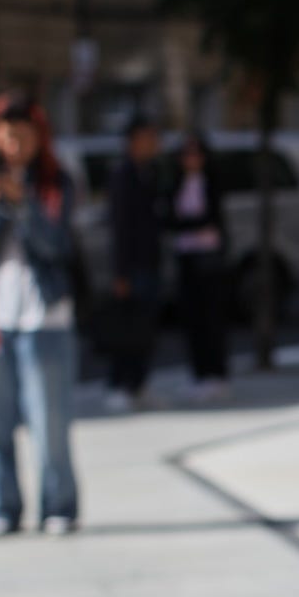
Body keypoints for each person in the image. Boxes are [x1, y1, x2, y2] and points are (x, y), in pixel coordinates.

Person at [0, 92, 81, 537]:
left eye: (22, 136)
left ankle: (59, 505)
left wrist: (22, 201)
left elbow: (55, 245)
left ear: (37, 139)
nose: (13, 145)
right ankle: (3, 507)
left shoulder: (54, 183)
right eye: (6, 136)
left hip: (43, 315)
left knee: (50, 420)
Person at [162, 132, 230, 399]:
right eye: (186, 155)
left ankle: (217, 373)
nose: (191, 160)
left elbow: (209, 218)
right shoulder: (177, 183)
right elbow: (172, 220)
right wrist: (190, 224)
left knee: (212, 317)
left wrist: (188, 224)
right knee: (192, 318)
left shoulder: (211, 183)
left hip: (209, 258)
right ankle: (200, 373)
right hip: (186, 257)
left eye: (196, 154)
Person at [104, 114, 163, 412]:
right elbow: (120, 226)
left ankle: (139, 383)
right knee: (126, 327)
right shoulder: (122, 174)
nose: (154, 144)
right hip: (131, 264)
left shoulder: (149, 172)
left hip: (150, 261)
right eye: (148, 137)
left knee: (145, 327)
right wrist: (120, 272)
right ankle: (120, 384)